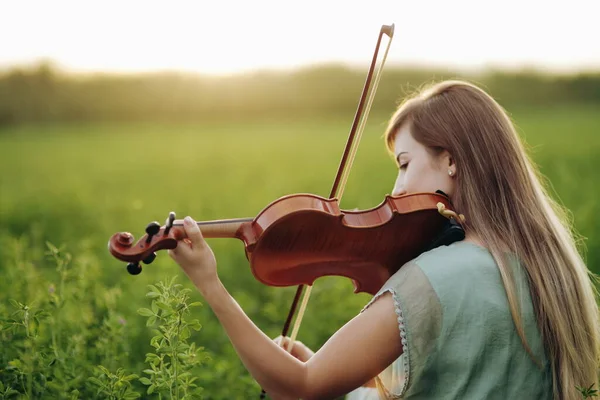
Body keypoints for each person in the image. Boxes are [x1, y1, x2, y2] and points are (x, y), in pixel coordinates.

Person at [168, 80, 600, 400]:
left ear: (450, 160)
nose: (396, 188)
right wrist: (328, 363)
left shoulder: (431, 277)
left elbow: (299, 388)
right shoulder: (550, 270)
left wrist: (210, 284)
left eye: (405, 163)